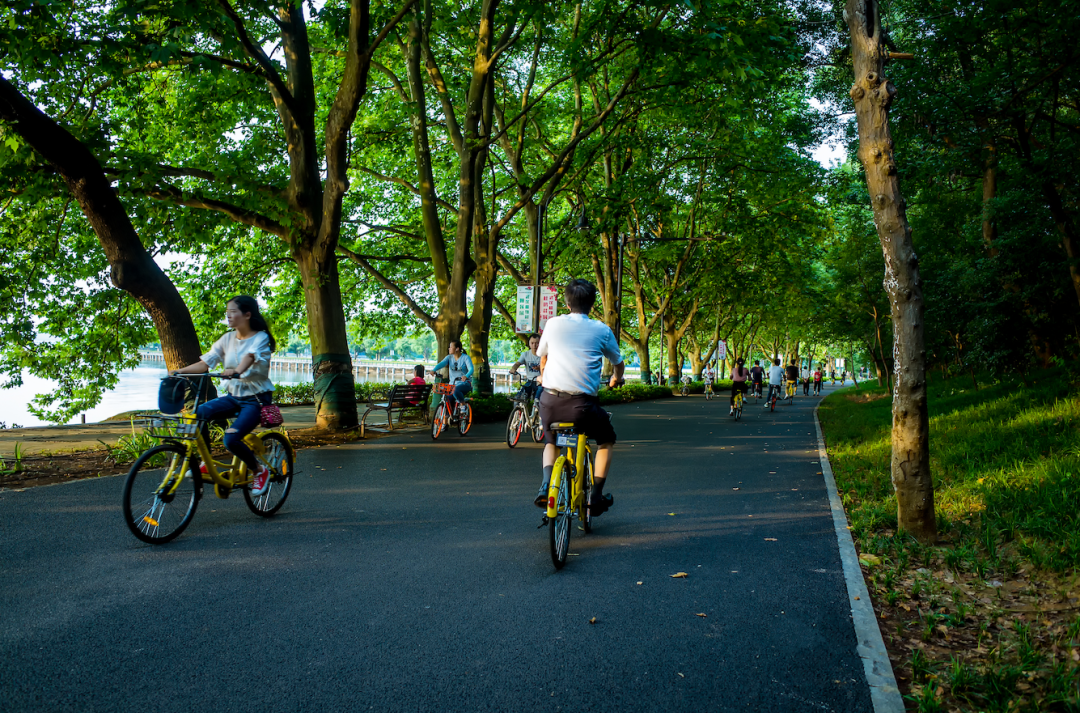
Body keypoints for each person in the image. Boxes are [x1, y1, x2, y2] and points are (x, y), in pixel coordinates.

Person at [533, 279, 624, 516]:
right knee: (605, 440)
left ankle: (545, 485)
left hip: (550, 401)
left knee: (550, 440)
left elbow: (542, 353)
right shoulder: (602, 329)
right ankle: (595, 496)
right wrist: (616, 379)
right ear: (593, 303)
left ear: (566, 302)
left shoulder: (552, 324)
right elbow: (618, 363)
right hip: (583, 406)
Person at [171, 295, 276, 496]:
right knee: (198, 413)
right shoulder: (227, 338)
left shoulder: (260, 337)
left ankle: (258, 470)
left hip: (255, 400)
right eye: (227, 312)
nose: (228, 316)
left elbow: (250, 356)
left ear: (247, 314)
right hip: (233, 397)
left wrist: (237, 370)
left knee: (231, 440)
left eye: (232, 312)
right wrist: (179, 371)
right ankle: (205, 462)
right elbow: (205, 364)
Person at [432, 340, 474, 418]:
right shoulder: (449, 357)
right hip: (452, 384)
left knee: (455, 390)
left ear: (457, 349)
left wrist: (466, 376)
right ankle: (446, 420)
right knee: (447, 399)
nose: (449, 348)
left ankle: (462, 404)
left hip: (464, 383)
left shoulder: (465, 357)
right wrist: (434, 370)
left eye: (451, 347)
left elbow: (471, 369)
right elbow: (442, 363)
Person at [509, 333, 543, 401]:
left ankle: (536, 409)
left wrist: (540, 368)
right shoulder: (525, 354)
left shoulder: (544, 355)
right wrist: (513, 368)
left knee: (538, 399)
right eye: (532, 343)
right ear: (529, 343)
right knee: (518, 398)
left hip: (541, 383)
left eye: (537, 343)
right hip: (530, 381)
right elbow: (517, 363)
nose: (534, 345)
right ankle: (519, 410)